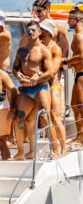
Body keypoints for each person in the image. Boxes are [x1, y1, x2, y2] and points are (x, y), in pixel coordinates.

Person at [11, 21, 53, 160]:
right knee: (20, 119)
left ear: (39, 32)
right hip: (27, 89)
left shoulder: (44, 50)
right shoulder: (21, 51)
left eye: (33, 30)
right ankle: (21, 152)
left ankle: (55, 149)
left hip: (41, 86)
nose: (31, 33)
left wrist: (38, 75)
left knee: (46, 117)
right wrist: (18, 75)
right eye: (28, 31)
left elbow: (50, 72)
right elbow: (15, 68)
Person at [38, 19, 66, 156]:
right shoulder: (39, 46)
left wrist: (37, 76)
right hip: (42, 85)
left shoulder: (55, 48)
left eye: (41, 29)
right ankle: (54, 146)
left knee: (55, 117)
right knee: (44, 118)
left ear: (47, 32)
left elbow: (53, 70)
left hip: (53, 85)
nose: (39, 31)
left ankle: (63, 148)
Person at [65, 6, 83, 144]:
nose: (67, 21)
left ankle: (81, 137)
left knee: (80, 106)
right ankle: (79, 135)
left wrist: (65, 61)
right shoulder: (77, 34)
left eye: (69, 18)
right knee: (74, 105)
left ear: (77, 20)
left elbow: (82, 56)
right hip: (78, 73)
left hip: (82, 74)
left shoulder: (79, 35)